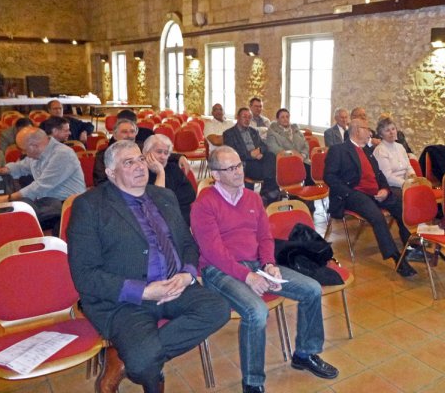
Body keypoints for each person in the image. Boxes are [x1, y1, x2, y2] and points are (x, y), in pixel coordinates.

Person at [67, 140, 230, 393]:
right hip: (127, 301)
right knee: (144, 363)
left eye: (140, 159)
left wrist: (187, 274)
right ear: (111, 173)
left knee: (218, 310)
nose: (139, 166)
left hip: (175, 286)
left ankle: (125, 357)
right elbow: (85, 275)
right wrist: (143, 291)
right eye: (128, 162)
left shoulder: (164, 196)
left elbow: (187, 243)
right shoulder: (89, 206)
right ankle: (142, 361)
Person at [191, 146, 338, 393]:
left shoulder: (252, 198)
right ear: (215, 174)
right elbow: (213, 252)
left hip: (257, 264)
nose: (238, 172)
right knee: (257, 312)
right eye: (230, 168)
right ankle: (253, 382)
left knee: (312, 289)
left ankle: (305, 353)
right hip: (219, 270)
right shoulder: (203, 204)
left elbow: (265, 236)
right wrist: (246, 276)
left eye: (239, 166)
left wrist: (269, 264)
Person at [323, 118, 417, 277]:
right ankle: (397, 259)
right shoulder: (338, 150)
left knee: (402, 206)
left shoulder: (368, 150)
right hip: (352, 194)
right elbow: (329, 177)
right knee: (377, 217)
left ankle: (409, 245)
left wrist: (385, 190)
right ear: (357, 130)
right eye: (367, 129)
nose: (370, 133)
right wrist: (348, 193)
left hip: (375, 193)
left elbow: (379, 175)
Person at [0, 127, 85, 228]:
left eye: (23, 150)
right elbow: (22, 166)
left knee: (15, 217)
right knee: (15, 210)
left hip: (67, 206)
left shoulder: (63, 154)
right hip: (47, 202)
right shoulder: (38, 154)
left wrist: (8, 198)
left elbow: (41, 185)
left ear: (34, 146)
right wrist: (3, 170)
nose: (23, 153)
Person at [93, 119, 190, 186]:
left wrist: (179, 157)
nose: (129, 135)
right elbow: (101, 182)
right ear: (114, 135)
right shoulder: (103, 155)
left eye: (132, 131)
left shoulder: (141, 147)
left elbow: (159, 154)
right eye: (124, 132)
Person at [372, 116, 416, 246]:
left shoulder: (400, 147)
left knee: (421, 197)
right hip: (389, 187)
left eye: (393, 129)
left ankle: (421, 235)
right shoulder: (380, 150)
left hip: (405, 183)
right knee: (405, 204)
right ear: (381, 134)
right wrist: (405, 184)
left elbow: (408, 166)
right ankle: (409, 243)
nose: (391, 132)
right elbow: (387, 176)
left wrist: (413, 176)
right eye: (387, 130)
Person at [223, 107, 279, 204]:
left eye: (249, 117)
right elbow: (232, 153)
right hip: (245, 163)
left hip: (258, 160)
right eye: (244, 116)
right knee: (270, 170)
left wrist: (260, 151)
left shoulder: (254, 131)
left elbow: (264, 145)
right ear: (237, 117)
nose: (247, 119)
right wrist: (251, 155)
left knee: (271, 155)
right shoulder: (229, 133)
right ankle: (270, 191)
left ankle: (268, 191)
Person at [143, 134, 196, 226]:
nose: (163, 157)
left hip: (179, 219)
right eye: (159, 152)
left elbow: (190, 195)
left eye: (166, 153)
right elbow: (157, 204)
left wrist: (169, 201)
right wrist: (160, 173)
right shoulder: (139, 173)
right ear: (146, 153)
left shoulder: (173, 168)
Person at [266, 108, 314, 185]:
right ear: (277, 119)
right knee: (306, 169)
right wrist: (294, 156)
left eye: (287, 117)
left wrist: (303, 155)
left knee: (312, 169)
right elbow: (274, 148)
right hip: (285, 161)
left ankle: (307, 193)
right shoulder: (272, 132)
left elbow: (305, 144)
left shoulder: (295, 130)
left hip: (302, 160)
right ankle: (296, 193)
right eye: (282, 117)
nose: (285, 119)